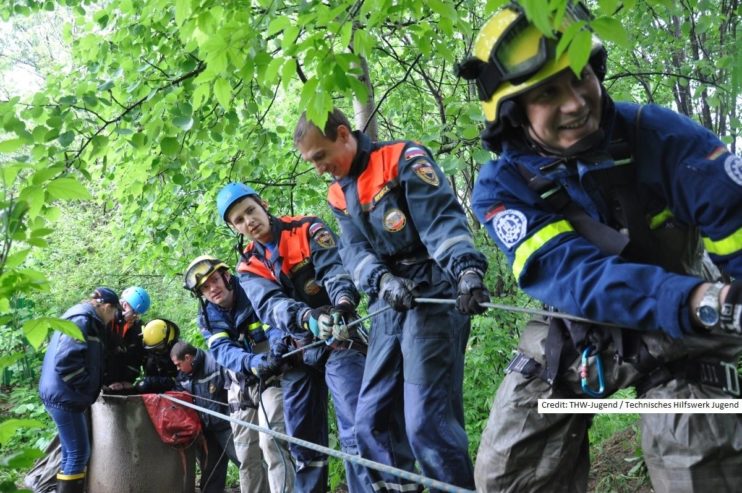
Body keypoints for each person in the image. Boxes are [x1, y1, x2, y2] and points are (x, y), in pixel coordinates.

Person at [455, 2, 742, 491]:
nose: (576, 102)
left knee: (698, 460)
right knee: (509, 476)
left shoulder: (663, 139)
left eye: (581, 74)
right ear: (512, 114)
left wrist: (718, 302)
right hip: (577, 332)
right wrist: (696, 301)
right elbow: (573, 276)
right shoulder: (502, 189)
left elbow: (735, 220)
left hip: (686, 330)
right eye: (547, 92)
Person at [293, 107, 490, 492]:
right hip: (389, 299)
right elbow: (353, 250)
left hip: (433, 288)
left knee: (425, 422)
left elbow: (441, 222)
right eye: (310, 162)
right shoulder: (337, 194)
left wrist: (466, 270)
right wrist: (381, 281)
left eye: (320, 156)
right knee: (370, 420)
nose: (319, 168)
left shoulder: (402, 159)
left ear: (344, 134)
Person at [216, 182, 372, 493]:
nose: (249, 221)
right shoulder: (247, 266)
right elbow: (270, 305)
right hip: (296, 350)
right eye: (239, 220)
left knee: (356, 427)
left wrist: (342, 304)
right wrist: (305, 317)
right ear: (235, 228)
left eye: (250, 210)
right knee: (302, 441)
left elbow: (335, 270)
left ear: (263, 204)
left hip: (340, 336)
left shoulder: (307, 228)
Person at [183, 255, 294, 493]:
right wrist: (253, 363)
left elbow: (273, 323)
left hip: (271, 377)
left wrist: (274, 353)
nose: (212, 289)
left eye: (214, 280)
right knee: (246, 454)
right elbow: (223, 351)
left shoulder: (252, 291)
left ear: (226, 276)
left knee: (272, 442)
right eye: (205, 287)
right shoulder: (207, 318)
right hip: (241, 384)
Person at [38, 287, 121, 493]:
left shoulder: (83, 317)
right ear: (107, 307)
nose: (112, 319)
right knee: (78, 454)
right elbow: (67, 362)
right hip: (65, 397)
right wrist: (86, 387)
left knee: (71, 453)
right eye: (113, 313)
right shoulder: (83, 320)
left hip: (61, 393)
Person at [171, 341, 240, 493]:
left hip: (227, 425)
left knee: (244, 460)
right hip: (206, 429)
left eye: (178, 364)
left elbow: (235, 389)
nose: (177, 368)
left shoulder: (215, 363)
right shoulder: (183, 376)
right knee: (210, 470)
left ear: (188, 357)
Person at [103, 286, 151, 392]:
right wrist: (109, 380)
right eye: (134, 312)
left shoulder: (137, 326)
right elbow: (101, 353)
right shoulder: (107, 322)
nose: (136, 317)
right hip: (105, 380)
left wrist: (128, 380)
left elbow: (137, 355)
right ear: (124, 305)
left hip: (124, 381)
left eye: (138, 314)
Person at [137, 318, 180, 393]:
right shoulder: (151, 350)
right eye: (152, 348)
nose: (155, 351)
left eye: (158, 347)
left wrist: (151, 381)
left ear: (167, 340)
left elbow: (180, 381)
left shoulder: (179, 352)